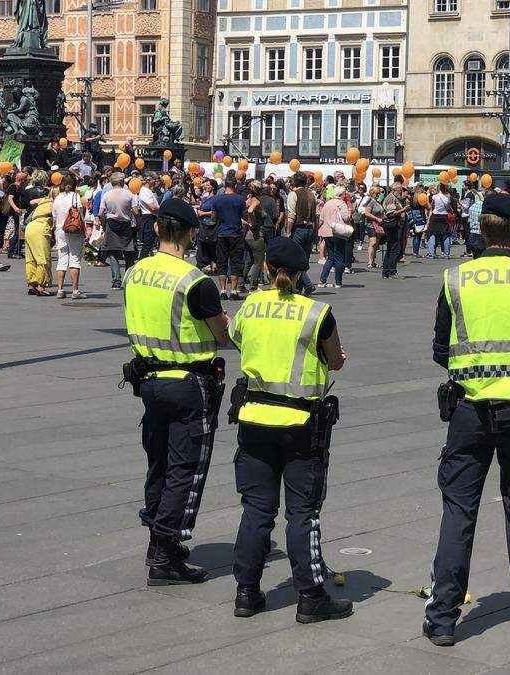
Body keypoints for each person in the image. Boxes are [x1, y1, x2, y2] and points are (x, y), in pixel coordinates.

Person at [426, 193, 510, 653]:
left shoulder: (455, 279)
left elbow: (441, 349)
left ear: (482, 231)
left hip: (467, 410)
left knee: (458, 512)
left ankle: (443, 618)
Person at [228, 236, 351, 623]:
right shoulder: (317, 313)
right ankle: (310, 596)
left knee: (257, 510)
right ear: (301, 275)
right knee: (302, 513)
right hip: (301, 426)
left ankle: (246, 592)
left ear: (266, 270)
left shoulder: (250, 305)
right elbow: (335, 361)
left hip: (253, 420)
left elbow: (236, 338)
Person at [122, 197, 229, 586]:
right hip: (189, 383)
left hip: (148, 382)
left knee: (159, 463)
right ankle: (166, 552)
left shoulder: (135, 273)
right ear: (190, 234)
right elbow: (221, 335)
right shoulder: (195, 281)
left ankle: (156, 540)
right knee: (186, 469)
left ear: (155, 229)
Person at [201, 181, 249, 300]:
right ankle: (233, 291)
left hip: (222, 233)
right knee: (235, 263)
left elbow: (213, 217)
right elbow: (245, 216)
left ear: (224, 187)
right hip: (236, 234)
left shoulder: (217, 199)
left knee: (222, 262)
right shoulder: (240, 199)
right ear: (234, 186)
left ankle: (222, 291)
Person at [51, 174, 90, 299]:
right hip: (74, 230)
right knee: (74, 259)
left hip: (60, 230)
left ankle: (60, 289)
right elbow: (80, 215)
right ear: (74, 185)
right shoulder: (75, 196)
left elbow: (54, 216)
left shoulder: (57, 198)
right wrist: (85, 231)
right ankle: (75, 290)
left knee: (62, 260)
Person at [98, 174, 138, 289]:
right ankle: (128, 279)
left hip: (111, 224)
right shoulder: (129, 194)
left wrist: (103, 224)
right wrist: (138, 223)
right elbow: (135, 211)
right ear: (122, 183)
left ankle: (116, 281)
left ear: (111, 183)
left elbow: (101, 213)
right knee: (129, 252)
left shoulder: (106, 195)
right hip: (126, 224)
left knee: (112, 252)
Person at [23, 186, 56, 295]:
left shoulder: (44, 200)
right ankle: (42, 287)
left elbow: (32, 202)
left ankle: (32, 285)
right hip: (41, 228)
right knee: (43, 257)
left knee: (31, 258)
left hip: (30, 227)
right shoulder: (55, 204)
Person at [318, 185, 351, 288]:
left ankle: (322, 280)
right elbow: (346, 218)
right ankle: (338, 282)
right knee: (339, 257)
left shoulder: (327, 204)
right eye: (344, 194)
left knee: (330, 257)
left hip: (327, 232)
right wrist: (350, 211)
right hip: (338, 232)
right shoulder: (342, 204)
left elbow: (321, 219)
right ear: (341, 195)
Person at [381, 179, 410, 278]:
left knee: (391, 248)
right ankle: (392, 271)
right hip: (392, 225)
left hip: (395, 225)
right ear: (394, 190)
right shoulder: (391, 199)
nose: (401, 193)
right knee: (395, 248)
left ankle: (386, 271)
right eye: (399, 191)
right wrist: (403, 210)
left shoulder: (395, 198)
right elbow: (391, 214)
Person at [137, 174, 160, 256]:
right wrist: (161, 209)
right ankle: (142, 259)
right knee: (148, 242)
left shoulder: (148, 191)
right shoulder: (145, 191)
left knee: (150, 242)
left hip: (152, 217)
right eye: (154, 179)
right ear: (149, 181)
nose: (156, 181)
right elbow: (152, 207)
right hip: (149, 218)